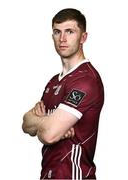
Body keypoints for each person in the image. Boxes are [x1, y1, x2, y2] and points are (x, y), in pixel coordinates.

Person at [22, 8, 104, 179]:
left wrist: (46, 126)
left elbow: (48, 134)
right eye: (57, 32)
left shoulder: (86, 80)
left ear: (83, 37)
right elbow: (25, 124)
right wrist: (47, 123)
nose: (62, 39)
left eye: (70, 31)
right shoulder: (53, 82)